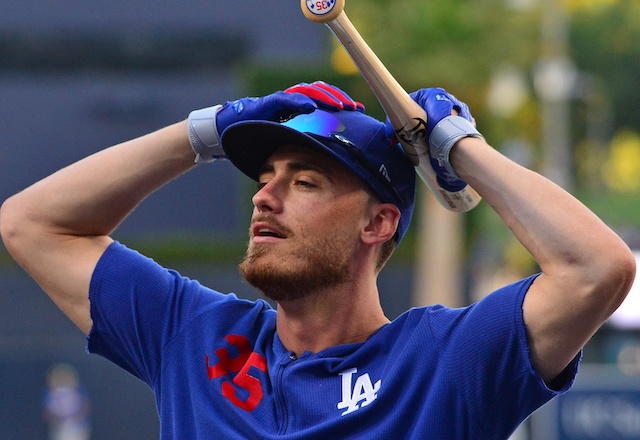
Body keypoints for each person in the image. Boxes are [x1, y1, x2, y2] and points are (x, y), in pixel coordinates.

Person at [0, 80, 635, 439]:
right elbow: (30, 223)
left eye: (305, 183)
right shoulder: (191, 336)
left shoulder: (445, 362)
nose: (265, 198)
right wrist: (203, 133)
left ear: (378, 223)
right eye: (265, 177)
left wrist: (460, 147)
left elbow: (597, 268)